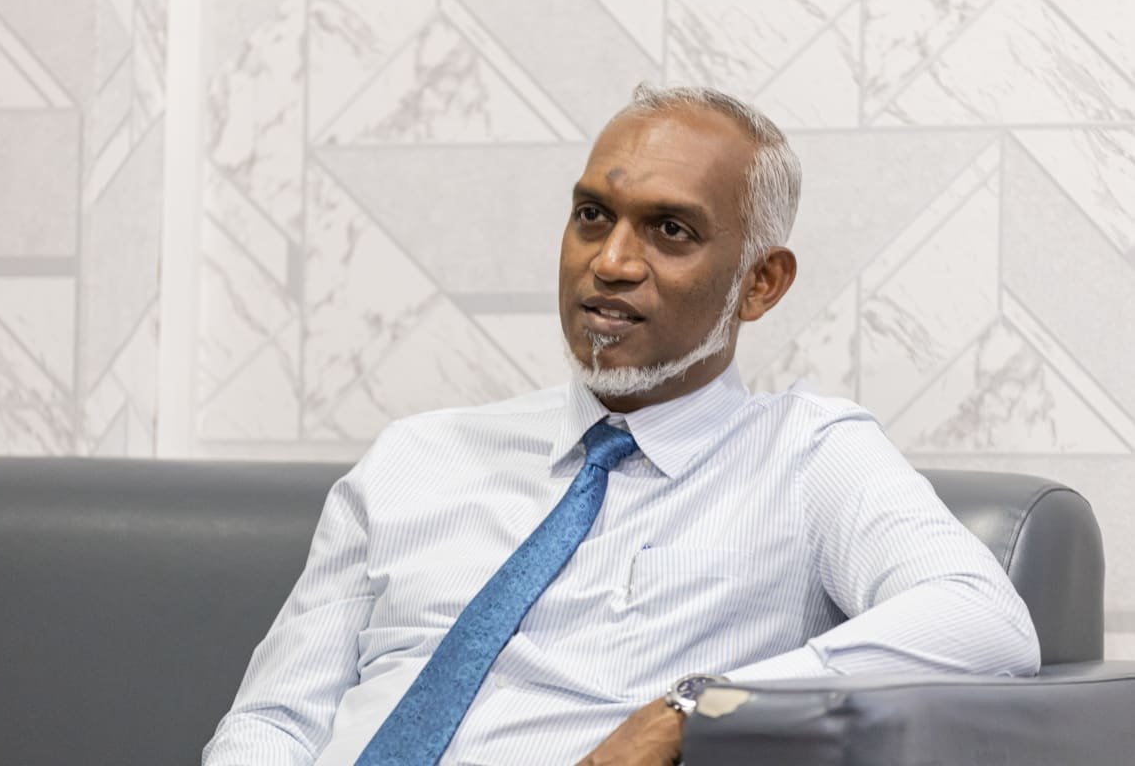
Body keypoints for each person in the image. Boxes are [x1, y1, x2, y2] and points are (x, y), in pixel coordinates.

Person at [202, 84, 1040, 765]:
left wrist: (695, 707)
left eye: (670, 231)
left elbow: (983, 619)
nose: (610, 262)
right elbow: (274, 720)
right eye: (593, 216)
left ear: (760, 284)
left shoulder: (806, 457)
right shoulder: (417, 456)